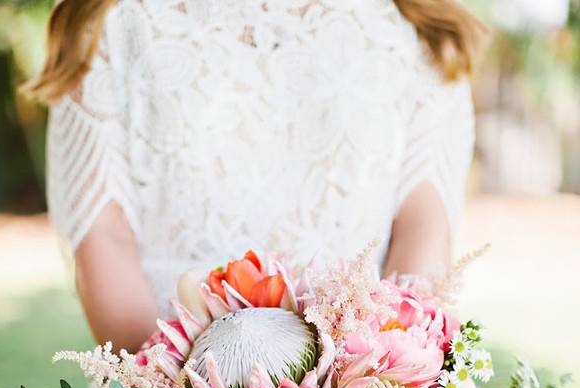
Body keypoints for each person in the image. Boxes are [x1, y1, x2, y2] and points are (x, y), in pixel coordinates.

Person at [24, 0, 486, 353]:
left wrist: (369, 375)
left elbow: (423, 226)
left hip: (358, 367)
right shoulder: (115, 21)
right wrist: (166, 382)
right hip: (162, 366)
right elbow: (103, 234)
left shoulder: (418, 29)